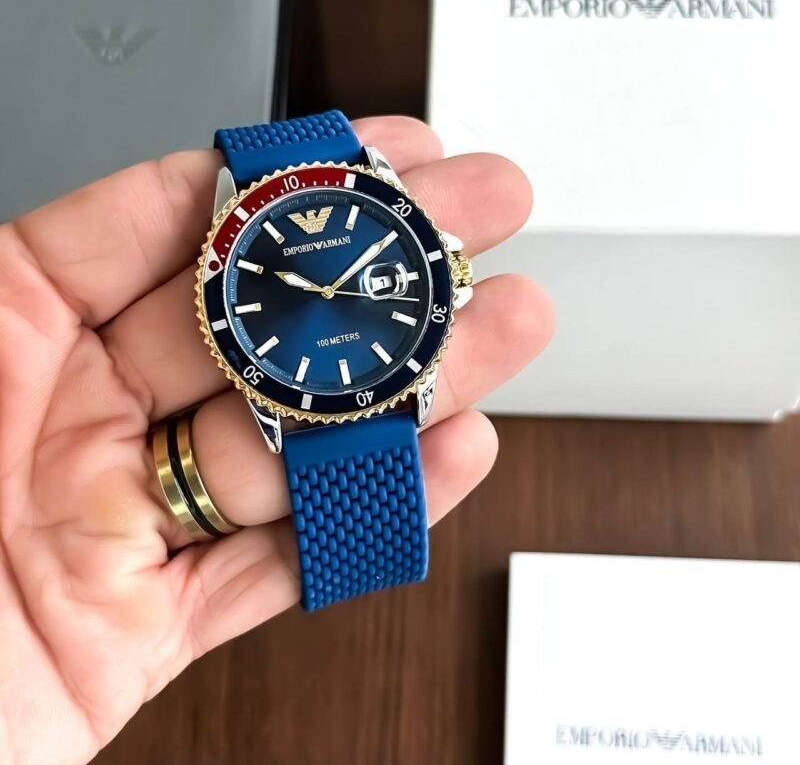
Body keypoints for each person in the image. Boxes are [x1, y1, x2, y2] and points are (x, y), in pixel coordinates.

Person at [0, 115, 553, 764]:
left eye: (333, 290)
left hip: (366, 383)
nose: (327, 295)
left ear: (447, 273)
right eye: (316, 291)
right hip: (306, 394)